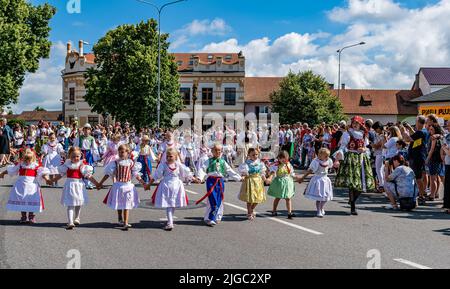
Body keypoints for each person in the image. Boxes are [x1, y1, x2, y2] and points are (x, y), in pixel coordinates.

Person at [99, 144, 148, 231]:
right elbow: (108, 174)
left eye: (123, 152)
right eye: (120, 152)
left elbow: (136, 174)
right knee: (119, 203)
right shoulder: (115, 163)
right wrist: (100, 183)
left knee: (127, 204)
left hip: (128, 186)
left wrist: (143, 183)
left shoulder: (131, 163)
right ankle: (119, 217)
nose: (121, 154)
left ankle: (125, 222)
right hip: (118, 185)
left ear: (128, 153)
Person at [335, 116, 376, 215]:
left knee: (362, 183)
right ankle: (353, 205)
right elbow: (343, 145)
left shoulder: (364, 134)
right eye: (353, 123)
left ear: (360, 124)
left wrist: (364, 149)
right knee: (352, 183)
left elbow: (366, 147)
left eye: (357, 123)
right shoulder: (347, 133)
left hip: (361, 159)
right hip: (351, 158)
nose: (355, 125)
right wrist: (339, 156)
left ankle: (352, 200)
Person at [150, 148, 198, 231]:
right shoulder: (163, 165)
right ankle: (170, 222)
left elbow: (186, 173)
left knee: (172, 204)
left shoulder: (178, 165)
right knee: (169, 204)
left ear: (176, 157)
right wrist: (149, 183)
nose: (169, 158)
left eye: (171, 156)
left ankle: (170, 220)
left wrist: (194, 179)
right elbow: (157, 175)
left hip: (176, 185)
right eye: (167, 156)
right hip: (166, 185)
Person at [52, 147, 98, 230]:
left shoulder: (82, 165)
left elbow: (89, 176)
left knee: (78, 202)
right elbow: (61, 175)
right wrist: (52, 180)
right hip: (69, 185)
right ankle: (70, 222)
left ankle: (77, 218)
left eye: (77, 156)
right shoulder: (67, 165)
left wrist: (97, 183)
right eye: (73, 156)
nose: (75, 158)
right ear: (69, 156)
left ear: (80, 155)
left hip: (79, 185)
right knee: (70, 204)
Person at [196, 143, 242, 226]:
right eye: (216, 150)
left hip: (220, 181)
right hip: (211, 181)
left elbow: (229, 170)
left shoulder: (223, 162)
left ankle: (217, 216)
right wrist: (200, 177)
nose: (218, 152)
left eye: (220, 151)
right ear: (212, 151)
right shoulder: (209, 161)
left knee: (219, 199)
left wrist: (239, 177)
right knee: (212, 199)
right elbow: (202, 169)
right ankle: (209, 218)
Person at [0, 149, 51, 223]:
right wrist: (3, 173)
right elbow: (12, 170)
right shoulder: (21, 165)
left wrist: (47, 180)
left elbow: (42, 173)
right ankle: (23, 217)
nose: (27, 161)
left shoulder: (35, 166)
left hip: (32, 186)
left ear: (32, 158)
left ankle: (31, 216)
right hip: (21, 185)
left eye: (29, 159)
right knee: (22, 199)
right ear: (24, 158)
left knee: (31, 199)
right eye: (26, 159)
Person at [298, 148, 333, 218]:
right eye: (325, 156)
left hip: (325, 179)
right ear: (320, 155)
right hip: (317, 179)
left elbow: (331, 166)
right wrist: (303, 177)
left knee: (325, 196)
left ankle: (322, 207)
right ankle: (318, 211)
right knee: (319, 197)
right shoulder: (316, 161)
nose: (327, 157)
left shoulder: (328, 160)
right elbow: (310, 170)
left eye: (327, 156)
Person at [401, 116, 428, 205]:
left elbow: (408, 139)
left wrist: (404, 131)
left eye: (416, 122)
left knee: (418, 178)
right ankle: (421, 194)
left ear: (419, 122)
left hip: (417, 157)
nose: (415, 124)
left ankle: (421, 196)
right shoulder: (421, 132)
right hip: (418, 156)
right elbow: (414, 135)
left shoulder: (420, 132)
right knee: (418, 177)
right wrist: (409, 128)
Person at [238, 148, 267, 221]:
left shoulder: (260, 163)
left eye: (256, 154)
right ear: (249, 155)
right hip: (250, 181)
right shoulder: (247, 163)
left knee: (258, 198)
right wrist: (244, 175)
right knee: (250, 199)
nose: (255, 156)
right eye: (253, 154)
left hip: (258, 182)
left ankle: (251, 209)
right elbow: (244, 172)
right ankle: (249, 212)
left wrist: (265, 179)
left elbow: (262, 172)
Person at [266, 151, 297, 219]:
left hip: (288, 182)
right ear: (279, 158)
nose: (284, 160)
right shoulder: (277, 165)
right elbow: (272, 172)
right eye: (282, 158)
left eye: (285, 158)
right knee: (278, 197)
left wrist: (297, 178)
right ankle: (274, 210)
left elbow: (292, 173)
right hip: (279, 183)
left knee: (288, 198)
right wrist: (269, 178)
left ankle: (289, 213)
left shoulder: (288, 164)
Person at [426, 124, 444, 201]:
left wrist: (427, 159)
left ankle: (432, 195)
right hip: (438, 159)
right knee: (437, 177)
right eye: (429, 129)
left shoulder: (434, 138)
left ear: (435, 130)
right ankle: (435, 193)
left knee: (433, 178)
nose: (430, 131)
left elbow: (431, 150)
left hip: (434, 159)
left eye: (432, 129)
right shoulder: (439, 137)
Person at [443, 121, 450, 214]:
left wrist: (445, 149)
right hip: (448, 163)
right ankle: (448, 206)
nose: (447, 127)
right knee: (447, 185)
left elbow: (448, 152)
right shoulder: (447, 136)